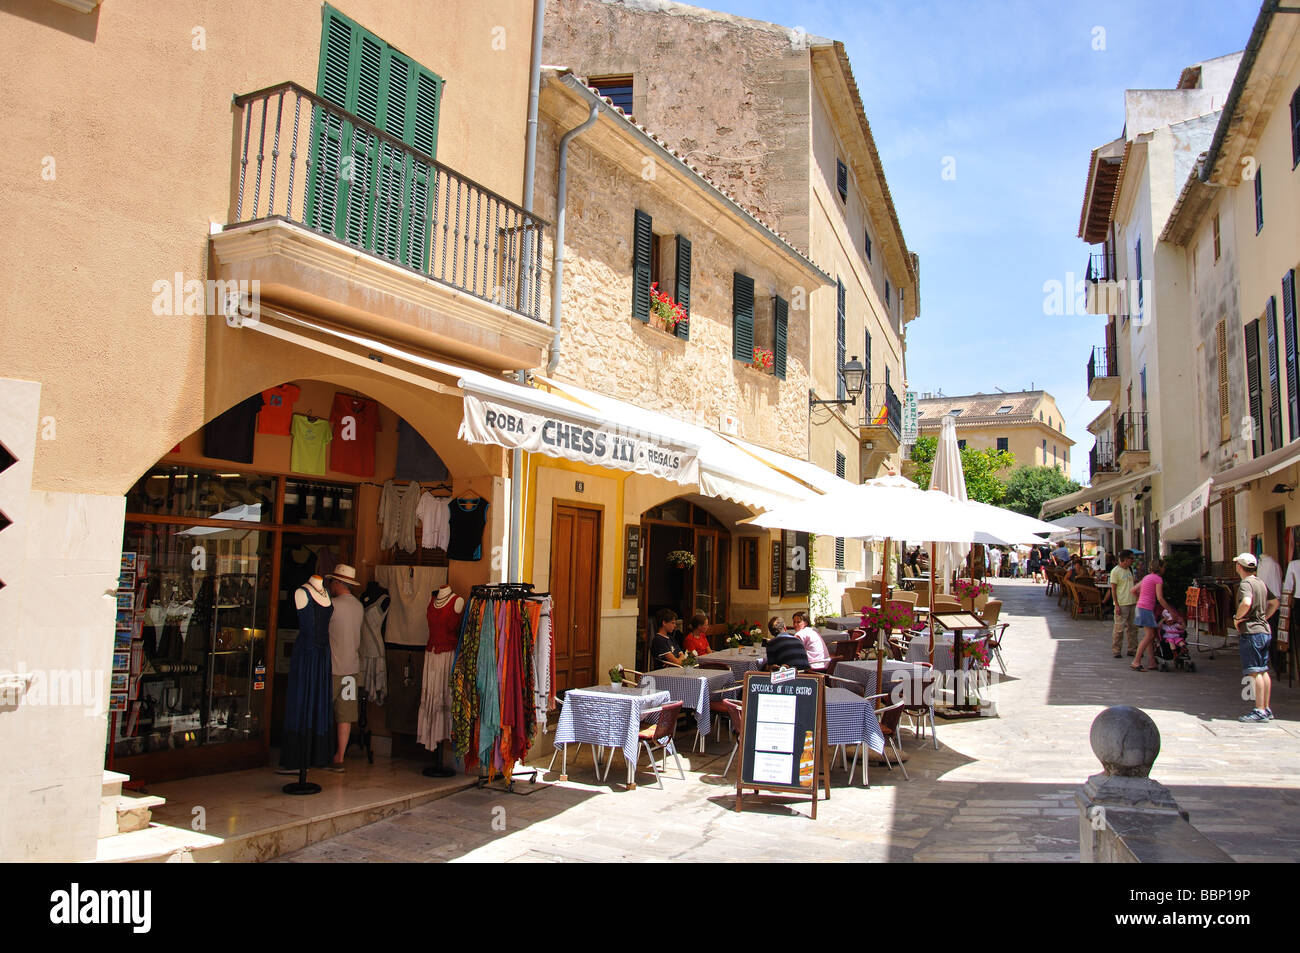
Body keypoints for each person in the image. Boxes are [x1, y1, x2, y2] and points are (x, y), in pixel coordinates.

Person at [325, 565, 365, 772]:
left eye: (332, 581)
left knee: (324, 711)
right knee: (346, 714)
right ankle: (340, 756)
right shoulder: (358, 606)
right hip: (351, 668)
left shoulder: (332, 606)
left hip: (332, 668)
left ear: (338, 583)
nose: (330, 584)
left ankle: (321, 753)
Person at [1233, 553, 1278, 722]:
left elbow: (1246, 602)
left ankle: (1259, 710)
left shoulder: (1246, 584)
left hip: (1251, 631)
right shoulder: (1260, 582)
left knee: (1255, 671)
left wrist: (1238, 618)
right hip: (1264, 630)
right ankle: (1266, 708)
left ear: (1239, 567)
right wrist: (1265, 617)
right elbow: (1275, 603)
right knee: (1263, 670)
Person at [1131, 558, 1182, 672]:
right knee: (1149, 635)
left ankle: (1152, 661)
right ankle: (1136, 661)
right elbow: (1160, 598)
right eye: (1164, 567)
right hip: (1147, 609)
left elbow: (1133, 590)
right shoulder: (1158, 579)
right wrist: (1171, 611)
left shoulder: (1146, 577)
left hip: (1140, 607)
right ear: (1160, 568)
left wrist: (1141, 599)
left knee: (1151, 634)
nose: (1165, 569)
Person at [1101, 550, 1138, 659]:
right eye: (1131, 558)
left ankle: (1132, 649)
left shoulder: (1130, 569)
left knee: (1133, 628)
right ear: (1125, 560)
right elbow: (1113, 589)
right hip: (1122, 603)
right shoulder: (1115, 571)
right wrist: (1116, 604)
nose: (1133, 561)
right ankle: (1116, 650)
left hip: (1132, 602)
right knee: (1119, 628)